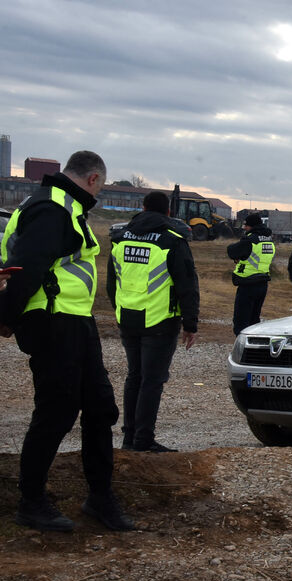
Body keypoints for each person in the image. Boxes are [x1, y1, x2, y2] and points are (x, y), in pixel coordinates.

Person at [0, 150, 134, 532]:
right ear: (93, 179)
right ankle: (31, 501)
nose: (99, 194)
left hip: (75, 320)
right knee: (57, 410)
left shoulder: (64, 206)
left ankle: (100, 498)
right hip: (51, 319)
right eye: (101, 187)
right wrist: (7, 317)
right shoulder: (52, 208)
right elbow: (26, 266)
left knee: (100, 407)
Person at [107, 191, 200, 453]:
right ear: (168, 212)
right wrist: (190, 325)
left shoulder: (120, 237)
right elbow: (187, 285)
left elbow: (111, 283)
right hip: (159, 322)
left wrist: (120, 309)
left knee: (134, 377)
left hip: (128, 318)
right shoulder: (173, 240)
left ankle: (129, 438)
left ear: (144, 208)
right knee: (152, 380)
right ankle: (143, 440)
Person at [227, 212, 274, 334]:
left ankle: (242, 349)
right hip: (262, 284)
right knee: (254, 320)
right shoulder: (269, 239)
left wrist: (239, 254)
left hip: (248, 284)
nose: (244, 228)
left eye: (246, 225)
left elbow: (231, 251)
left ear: (252, 226)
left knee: (241, 322)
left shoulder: (250, 239)